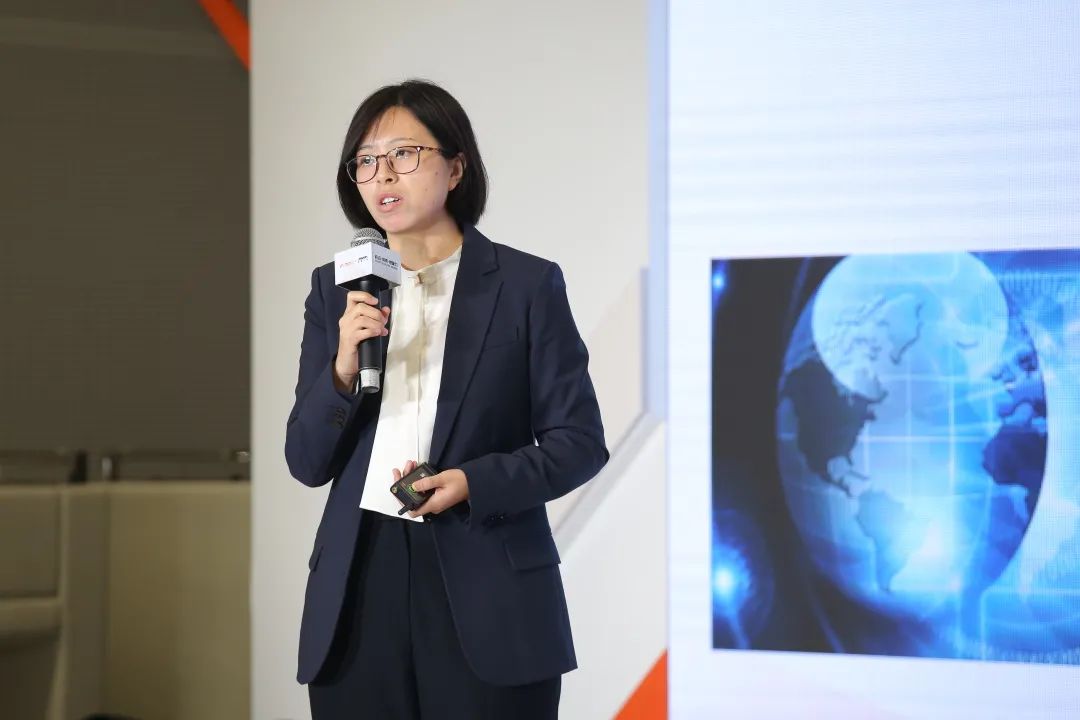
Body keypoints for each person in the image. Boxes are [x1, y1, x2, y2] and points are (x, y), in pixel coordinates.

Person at [284, 79, 608, 720]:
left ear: (456, 168)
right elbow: (306, 461)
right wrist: (342, 368)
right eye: (365, 161)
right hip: (359, 582)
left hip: (485, 580)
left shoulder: (525, 285)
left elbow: (579, 444)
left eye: (404, 154)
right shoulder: (335, 290)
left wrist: (472, 482)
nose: (383, 174)